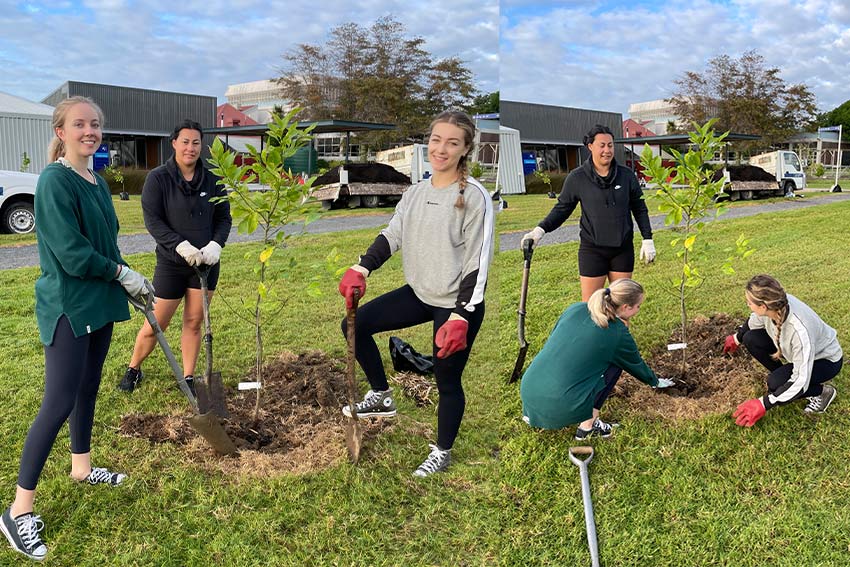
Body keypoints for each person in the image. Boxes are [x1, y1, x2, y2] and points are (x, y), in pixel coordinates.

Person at [1, 96, 154, 561]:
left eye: (95, 125)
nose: (90, 131)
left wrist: (130, 275)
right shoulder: (54, 180)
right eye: (80, 124)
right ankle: (17, 510)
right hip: (69, 304)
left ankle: (82, 468)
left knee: (88, 389)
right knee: (59, 401)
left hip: (101, 302)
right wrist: (119, 273)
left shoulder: (95, 179)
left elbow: (104, 243)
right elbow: (70, 253)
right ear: (61, 131)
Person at [337, 110, 494, 477]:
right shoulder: (416, 191)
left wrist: (461, 316)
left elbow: (477, 261)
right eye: (437, 140)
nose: (441, 149)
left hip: (458, 305)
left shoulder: (474, 197)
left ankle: (442, 451)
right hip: (421, 292)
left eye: (452, 142)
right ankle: (381, 394)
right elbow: (393, 234)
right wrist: (362, 267)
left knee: (446, 379)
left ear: (465, 148)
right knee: (353, 326)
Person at [118, 120, 232, 394]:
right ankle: (134, 368)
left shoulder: (214, 181)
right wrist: (180, 246)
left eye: (196, 143)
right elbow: (153, 221)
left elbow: (224, 219)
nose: (190, 148)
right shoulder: (158, 178)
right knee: (156, 323)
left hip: (205, 265)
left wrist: (216, 245)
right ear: (174, 144)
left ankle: (189, 378)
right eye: (185, 142)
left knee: (194, 322)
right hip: (172, 264)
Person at [520, 279, 672, 439]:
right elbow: (635, 364)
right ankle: (588, 427)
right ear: (626, 307)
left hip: (529, 389)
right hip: (559, 404)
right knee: (615, 364)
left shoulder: (575, 308)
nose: (639, 309)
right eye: (638, 306)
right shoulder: (617, 332)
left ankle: (538, 412)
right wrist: (655, 382)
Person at [520, 124, 656, 301]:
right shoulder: (577, 178)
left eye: (610, 145)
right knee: (591, 307)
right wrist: (540, 230)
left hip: (622, 249)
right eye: (602, 145)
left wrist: (647, 238)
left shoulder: (627, 176)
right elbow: (562, 209)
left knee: (621, 306)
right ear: (590, 146)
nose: (607, 150)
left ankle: (621, 330)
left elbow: (639, 208)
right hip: (592, 250)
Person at [725, 275, 843, 427]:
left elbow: (800, 382)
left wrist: (764, 403)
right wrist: (736, 338)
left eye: (749, 302)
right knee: (750, 338)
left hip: (825, 360)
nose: (747, 304)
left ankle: (822, 392)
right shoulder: (774, 304)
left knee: (775, 383)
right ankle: (784, 380)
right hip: (797, 354)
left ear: (763, 307)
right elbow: (753, 322)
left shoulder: (800, 331)